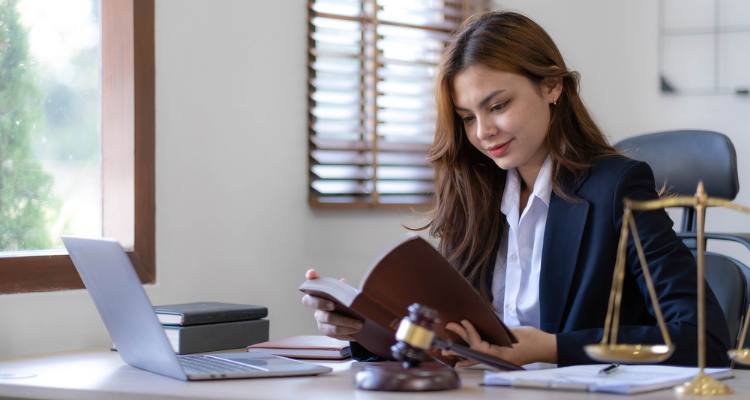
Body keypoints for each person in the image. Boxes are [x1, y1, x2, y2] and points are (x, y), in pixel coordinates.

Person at [302, 11, 731, 367]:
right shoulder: (477, 192)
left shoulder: (616, 187)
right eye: (467, 117)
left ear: (552, 86)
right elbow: (449, 333)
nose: (484, 132)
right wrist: (364, 331)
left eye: (498, 105)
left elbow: (703, 340)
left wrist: (550, 347)